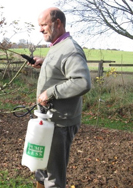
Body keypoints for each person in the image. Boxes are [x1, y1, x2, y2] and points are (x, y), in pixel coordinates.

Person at [30, 7, 91, 188]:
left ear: (58, 23)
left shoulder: (71, 49)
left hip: (60, 124)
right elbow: (62, 71)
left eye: (43, 25)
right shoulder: (57, 46)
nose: (40, 29)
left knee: (53, 177)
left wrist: (50, 92)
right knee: (41, 169)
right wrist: (44, 62)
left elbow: (82, 82)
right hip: (48, 120)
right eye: (39, 25)